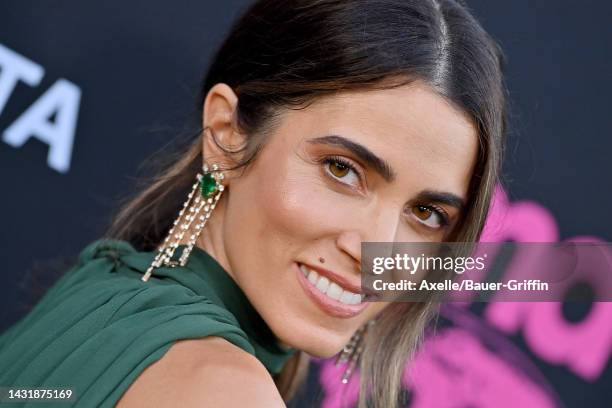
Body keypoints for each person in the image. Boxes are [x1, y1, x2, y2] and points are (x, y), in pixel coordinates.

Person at [0, 0, 507, 406]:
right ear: (225, 135)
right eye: (342, 170)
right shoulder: (223, 390)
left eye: (426, 214)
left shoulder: (106, 287)